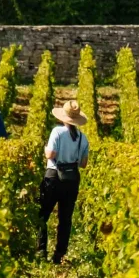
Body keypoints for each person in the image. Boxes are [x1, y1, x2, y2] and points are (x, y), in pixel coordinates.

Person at [41, 100, 92, 263]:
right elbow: (83, 164)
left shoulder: (57, 131)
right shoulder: (83, 138)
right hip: (71, 180)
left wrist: (45, 149)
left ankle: (41, 251)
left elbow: (51, 155)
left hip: (54, 176)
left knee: (42, 215)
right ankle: (59, 255)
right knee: (65, 219)